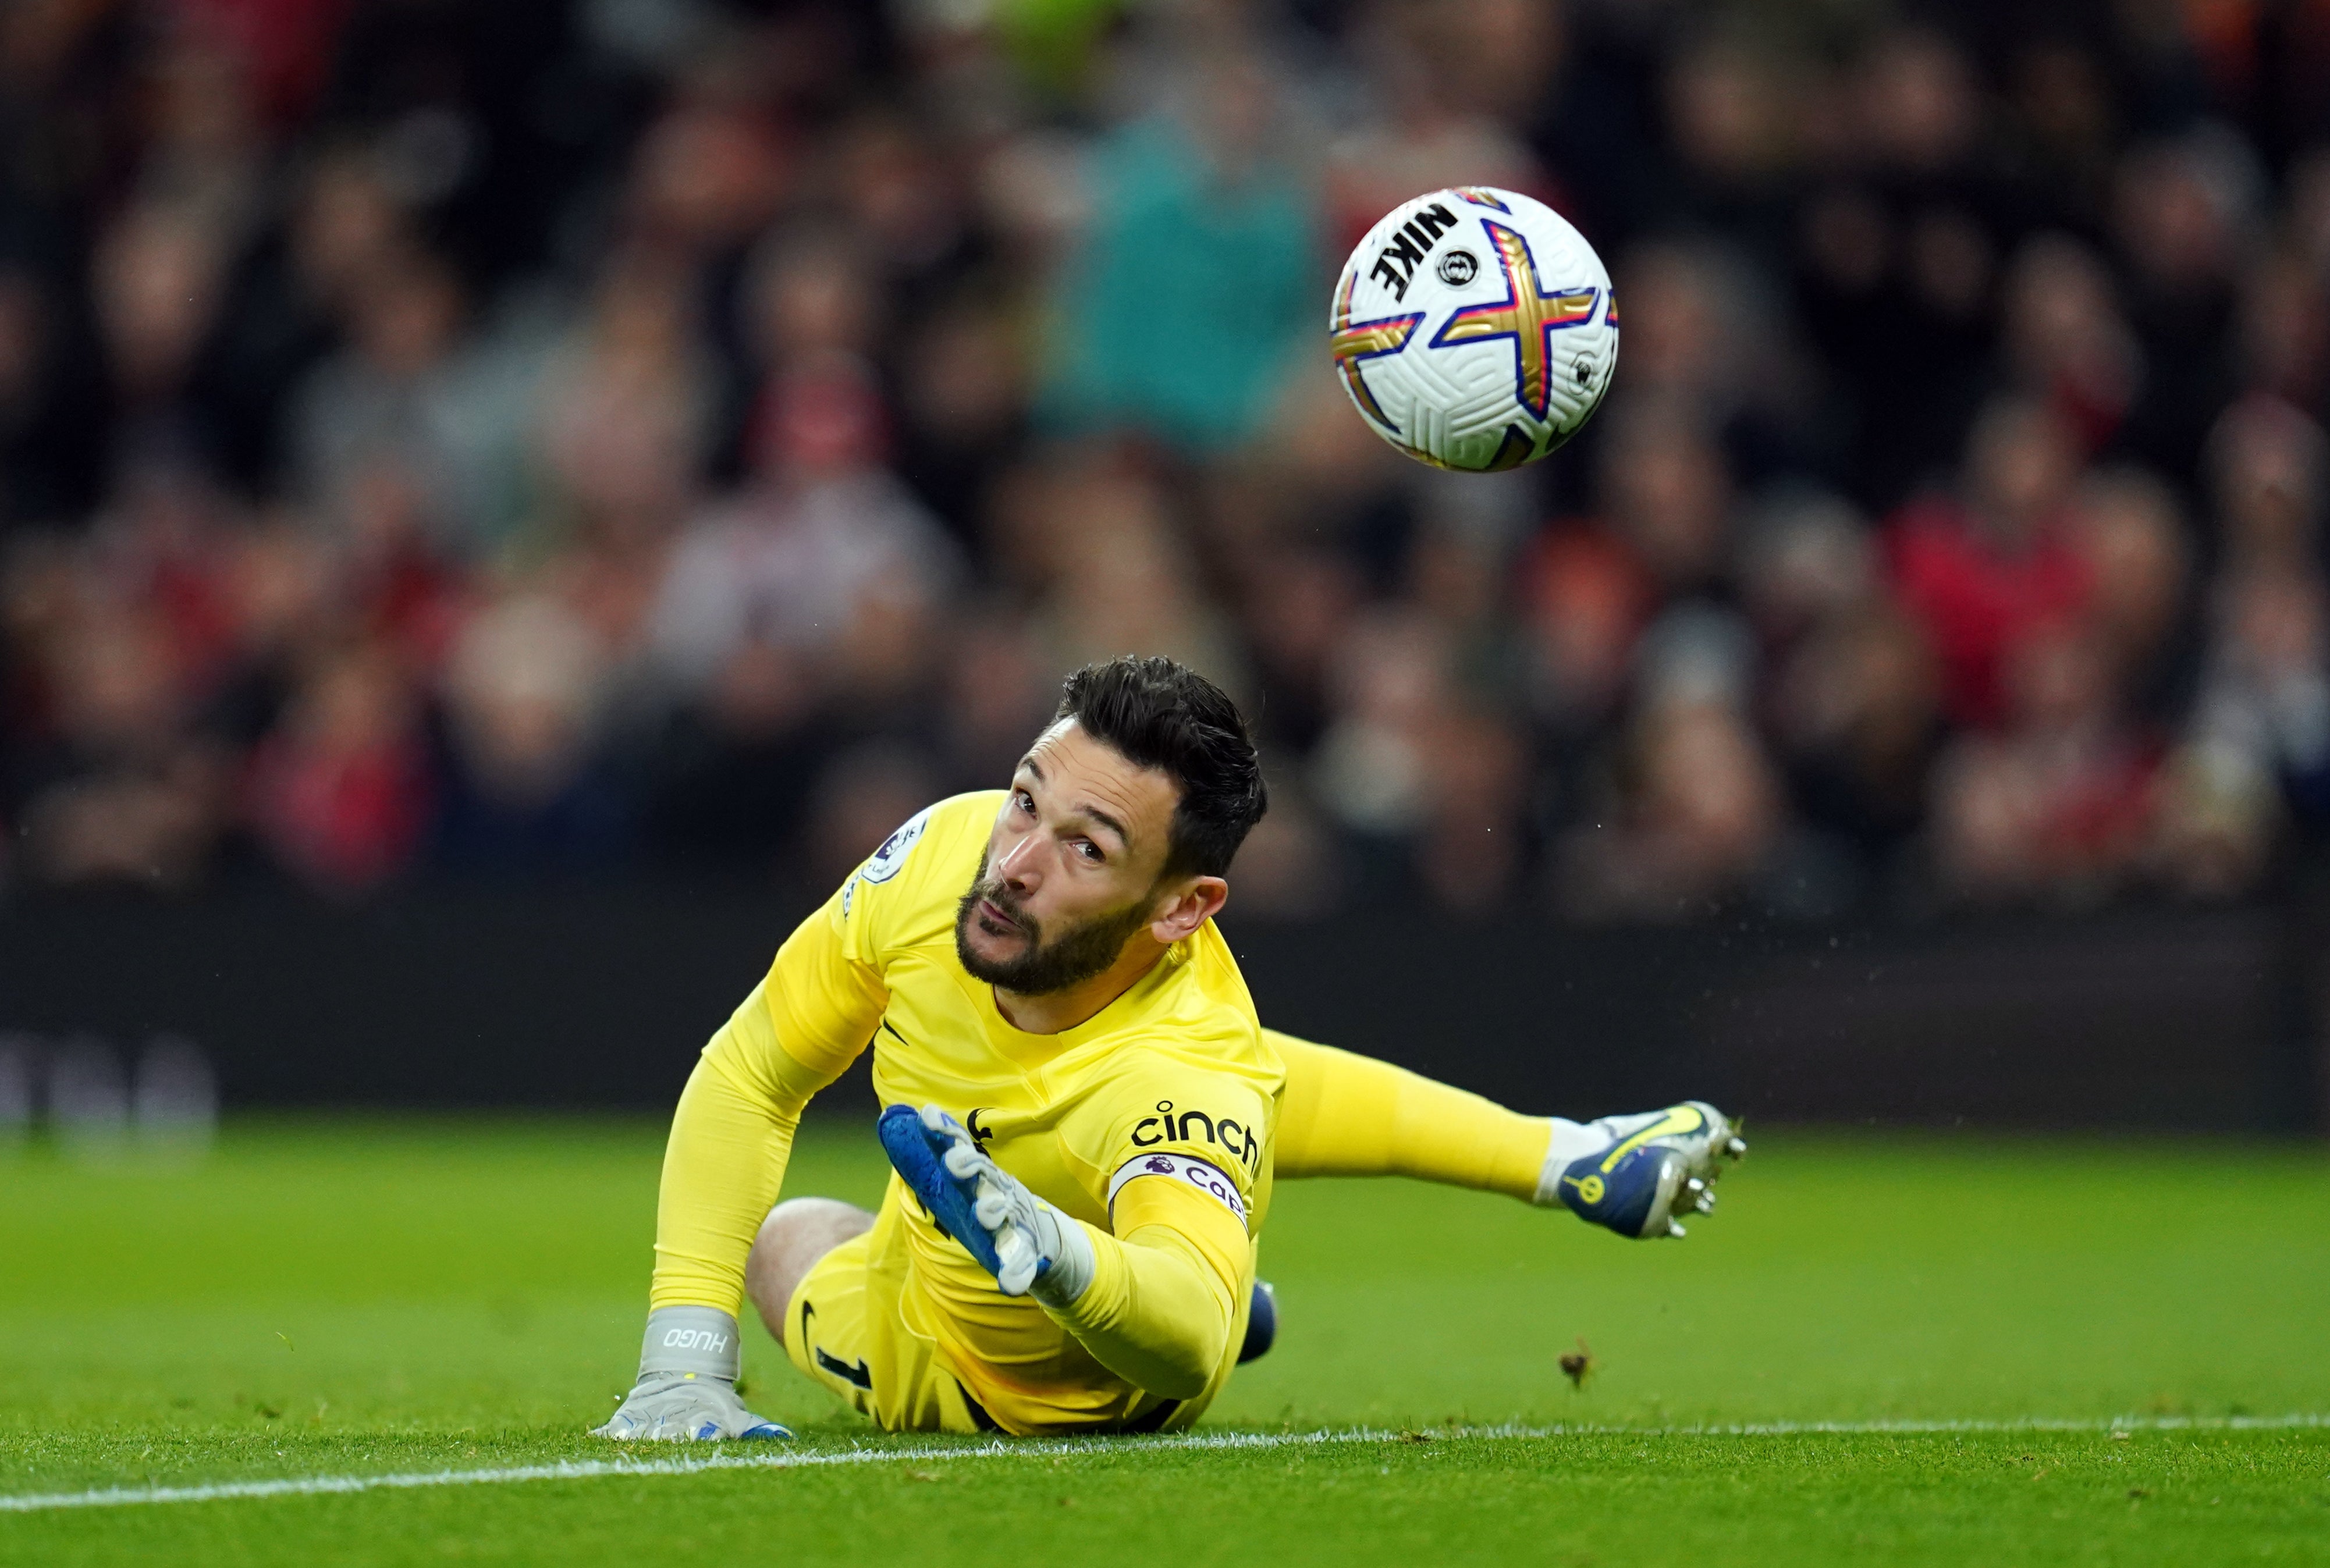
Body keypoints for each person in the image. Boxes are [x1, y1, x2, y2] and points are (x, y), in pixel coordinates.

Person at [594, 656, 1744, 1440]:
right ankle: (1568, 1155)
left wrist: (1050, 1251)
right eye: (1024, 798)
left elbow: (1187, 1350)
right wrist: (683, 1363)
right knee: (912, 1201)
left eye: (1086, 849)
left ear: (1181, 909)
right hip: (953, 1209)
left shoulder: (1187, 1072)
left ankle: (1129, 1251)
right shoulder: (940, 858)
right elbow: (754, 1066)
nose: (1017, 862)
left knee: (794, 1240)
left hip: (1015, 1385)